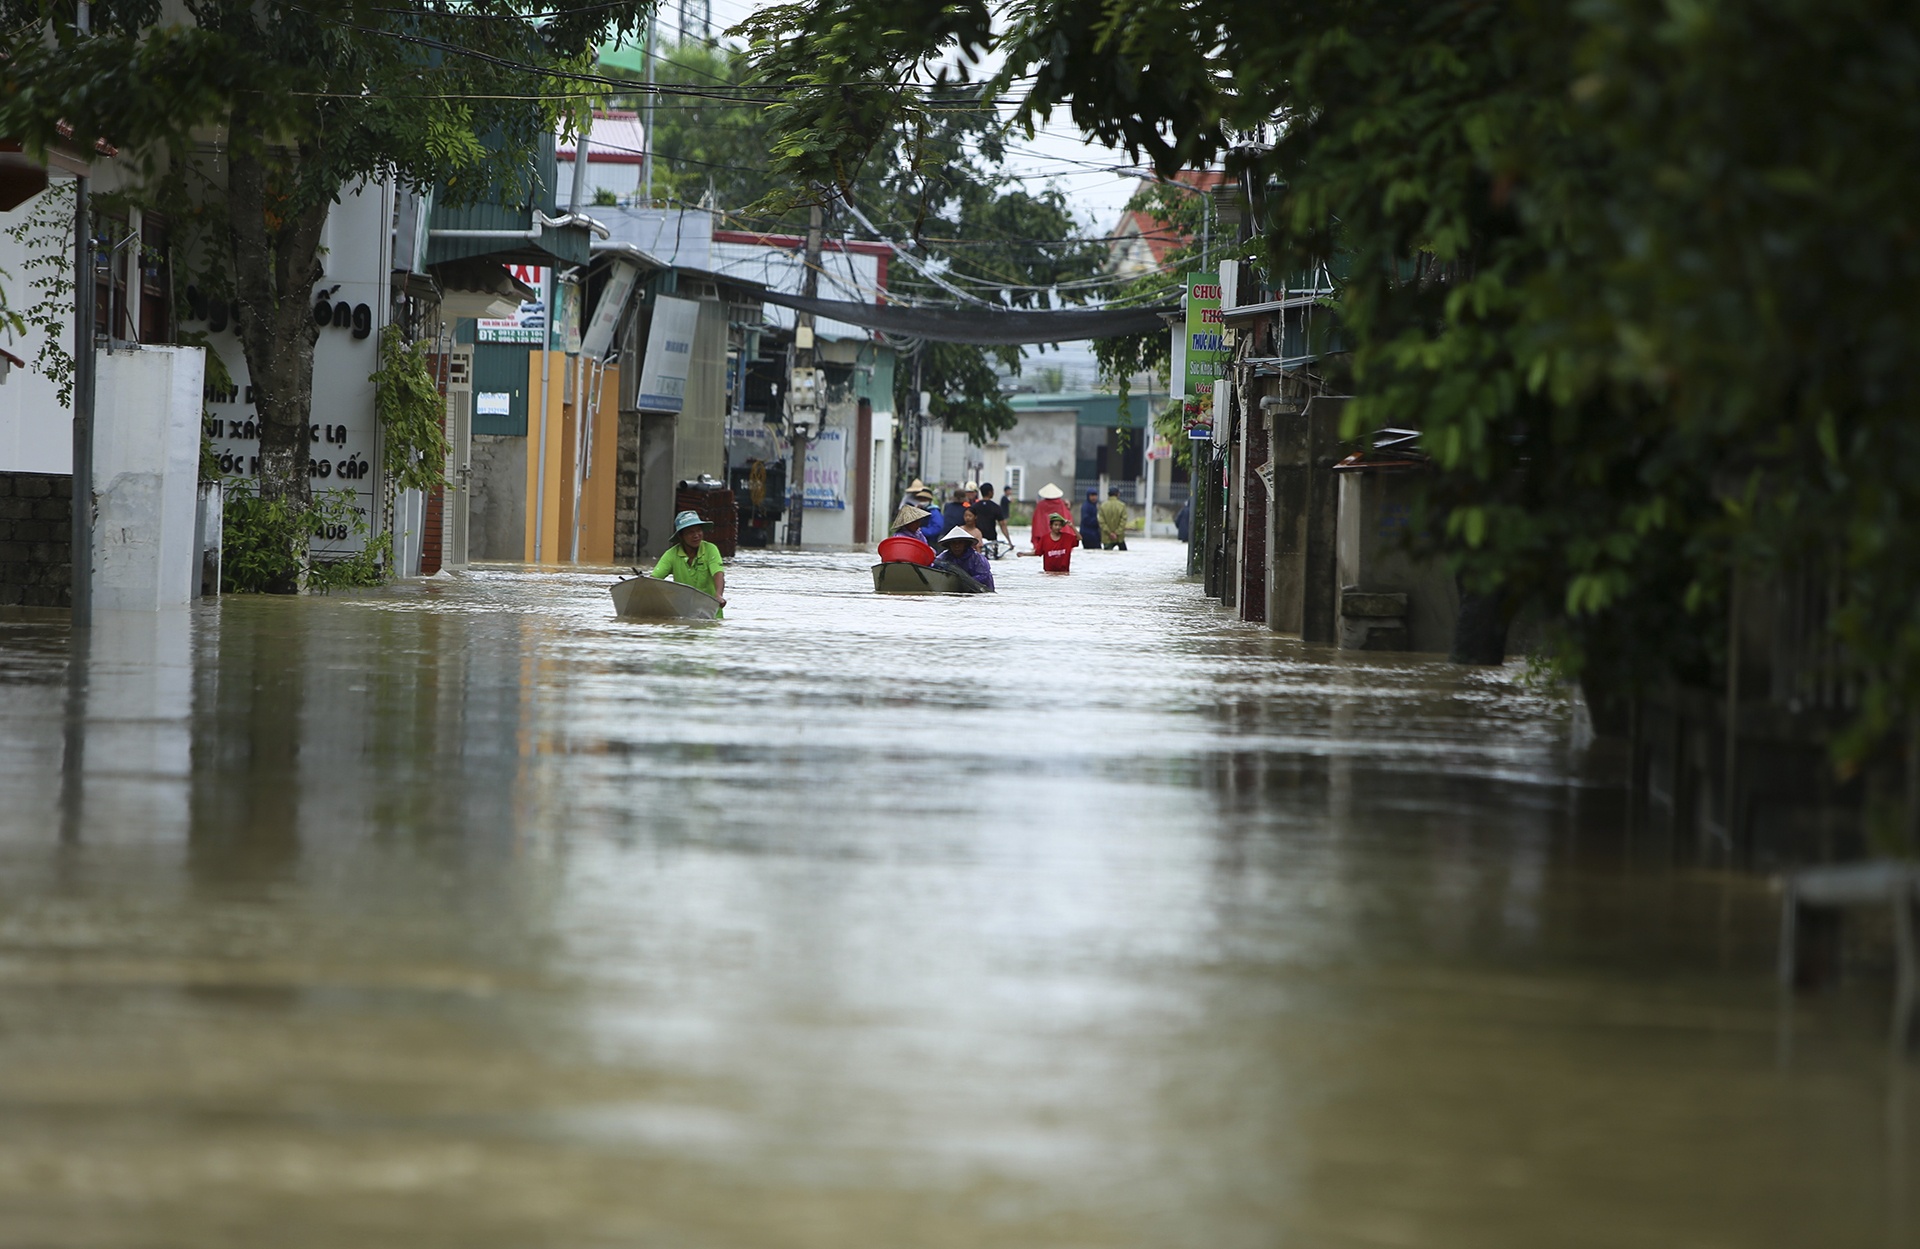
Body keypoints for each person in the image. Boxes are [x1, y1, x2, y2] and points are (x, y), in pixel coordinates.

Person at [652, 510, 727, 615]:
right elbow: (655, 578)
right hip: (683, 614)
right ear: (681, 536)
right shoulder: (671, 554)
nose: (696, 535)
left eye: (698, 530)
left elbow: (718, 573)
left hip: (711, 615)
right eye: (690, 532)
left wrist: (718, 595)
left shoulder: (710, 549)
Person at [932, 526, 994, 591]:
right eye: (953, 543)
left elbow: (984, 576)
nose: (957, 546)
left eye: (960, 543)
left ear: (965, 544)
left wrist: (963, 582)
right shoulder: (944, 557)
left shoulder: (977, 558)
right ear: (949, 545)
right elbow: (934, 570)